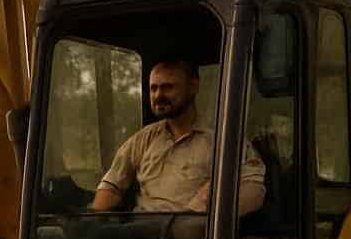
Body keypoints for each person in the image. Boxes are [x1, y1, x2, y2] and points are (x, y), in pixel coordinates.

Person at [91, 59, 266, 215]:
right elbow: (112, 186)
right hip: (140, 231)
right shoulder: (144, 138)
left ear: (193, 87)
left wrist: (204, 212)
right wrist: (92, 221)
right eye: (154, 88)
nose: (158, 95)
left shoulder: (223, 140)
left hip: (189, 237)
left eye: (168, 87)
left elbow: (253, 190)